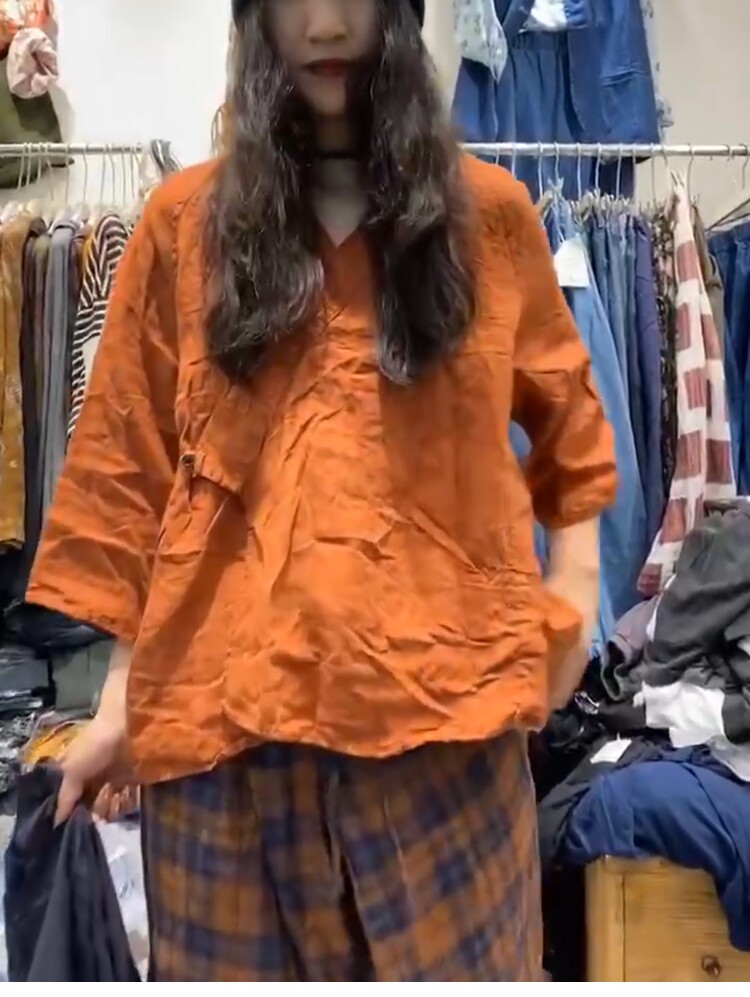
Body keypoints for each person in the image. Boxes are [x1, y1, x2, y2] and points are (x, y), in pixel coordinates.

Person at [27, 0, 616, 982]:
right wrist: (121, 699)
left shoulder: (490, 220)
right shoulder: (183, 228)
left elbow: (572, 422)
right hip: (224, 758)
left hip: (444, 744)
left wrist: (577, 593)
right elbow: (133, 478)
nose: (328, 25)